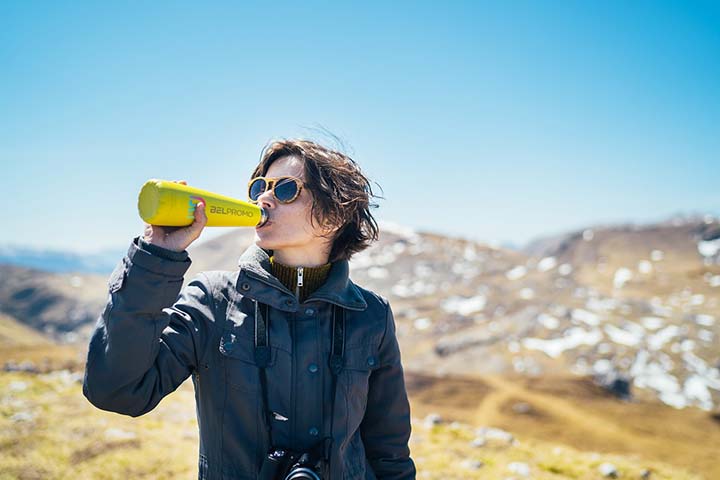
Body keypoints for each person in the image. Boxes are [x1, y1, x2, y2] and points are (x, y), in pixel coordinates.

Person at [82, 139, 416, 480]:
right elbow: (118, 392)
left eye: (286, 190)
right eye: (260, 187)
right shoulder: (212, 300)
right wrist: (156, 256)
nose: (264, 198)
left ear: (333, 216)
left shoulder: (370, 315)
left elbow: (389, 450)